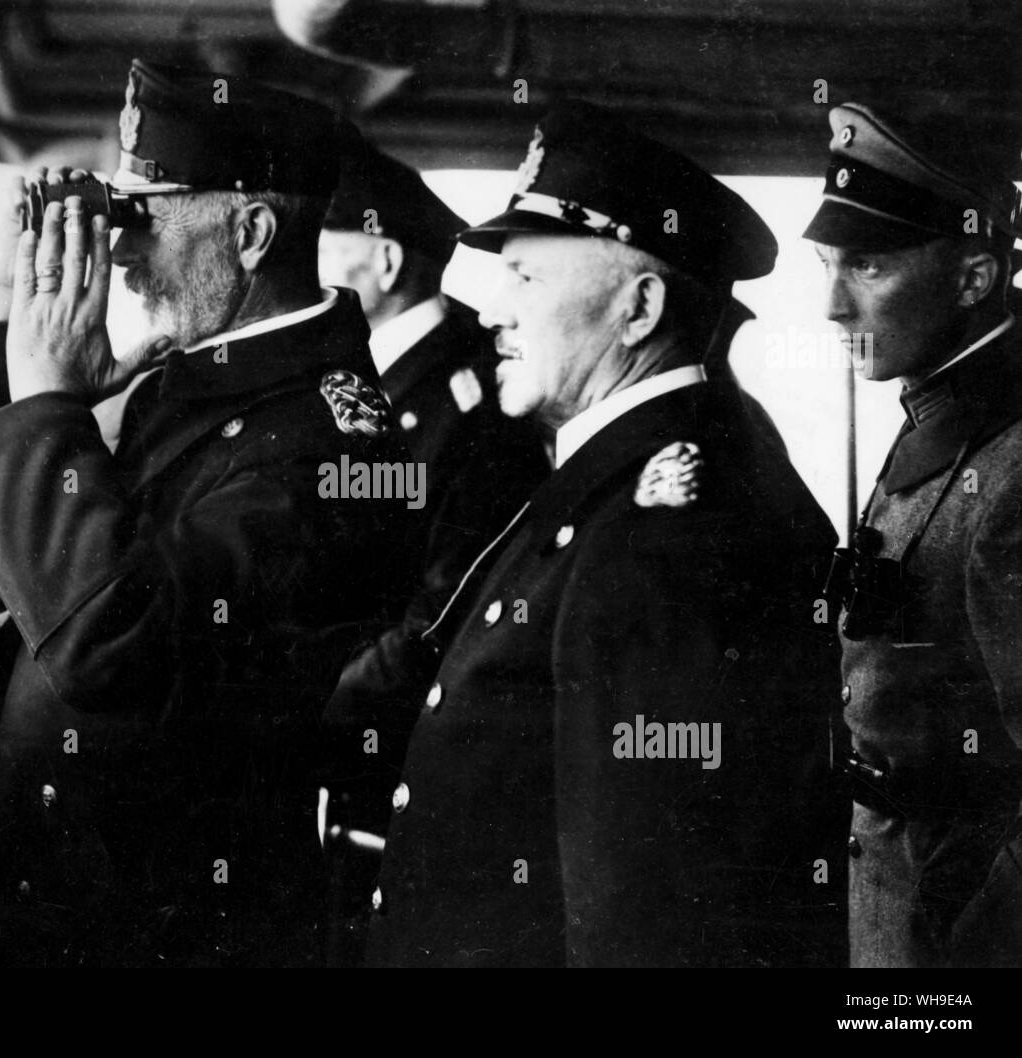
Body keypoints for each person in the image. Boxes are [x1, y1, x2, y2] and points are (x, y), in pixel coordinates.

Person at [0, 60, 422, 967]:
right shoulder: (204, 376)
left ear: (251, 230)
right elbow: (55, 538)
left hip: (177, 927)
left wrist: (50, 410)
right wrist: (25, 290)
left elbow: (118, 639)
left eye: (144, 214)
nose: (124, 250)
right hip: (76, 894)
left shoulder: (336, 446)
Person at [361, 101, 846, 967]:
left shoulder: (673, 519)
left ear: (639, 306)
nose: (490, 314)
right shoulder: (617, 474)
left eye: (526, 280)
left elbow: (653, 908)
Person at [315, 143, 548, 957]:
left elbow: (445, 614)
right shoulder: (364, 384)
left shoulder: (471, 400)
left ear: (383, 260)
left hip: (406, 763)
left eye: (325, 241)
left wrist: (312, 710)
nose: (307, 264)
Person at [806, 101, 1022, 967]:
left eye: (868, 266)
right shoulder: (941, 406)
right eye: (829, 263)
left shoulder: (1009, 468)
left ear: (974, 277)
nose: (831, 305)